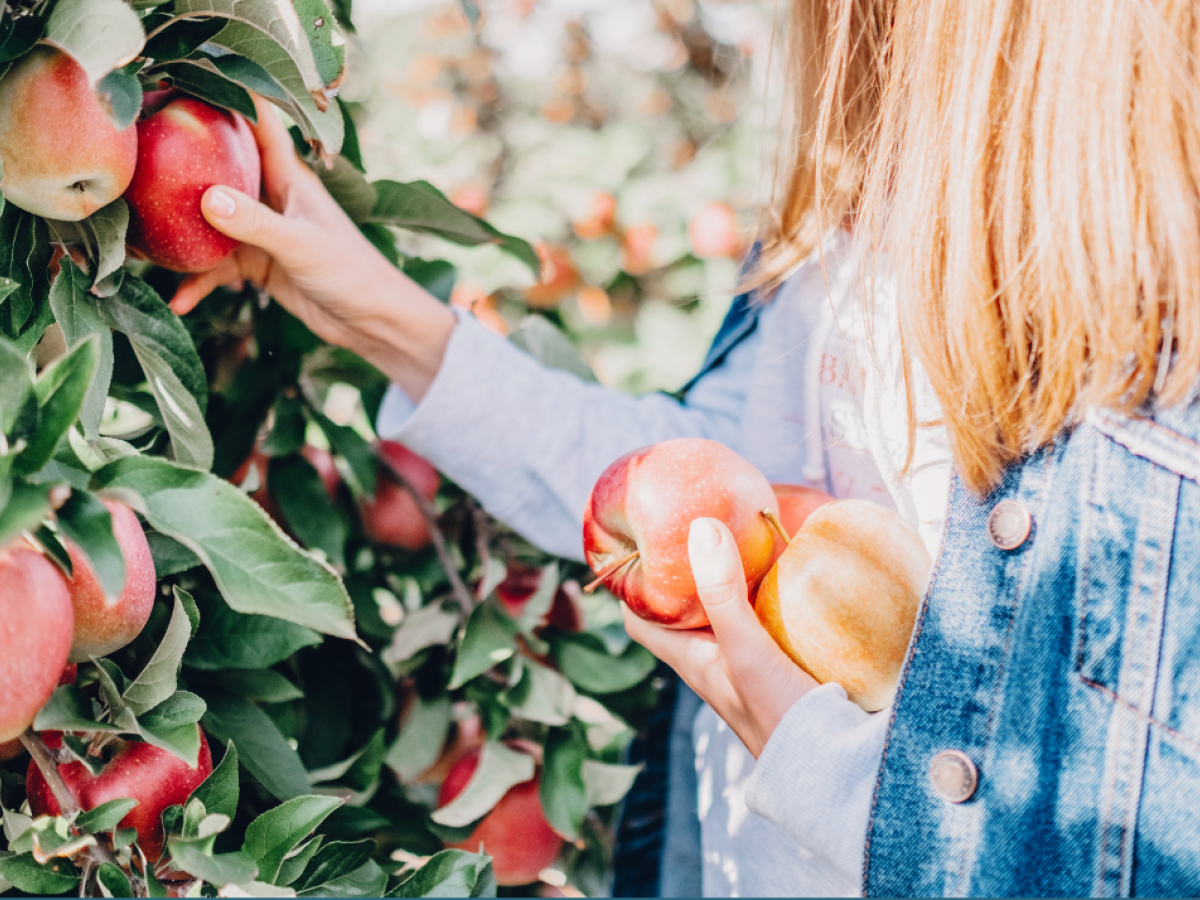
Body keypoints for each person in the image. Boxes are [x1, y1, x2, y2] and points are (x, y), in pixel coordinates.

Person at [171, 0, 1200, 894]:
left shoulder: (1155, 285)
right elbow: (713, 485)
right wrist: (378, 313)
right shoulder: (858, 179)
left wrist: (816, 767)